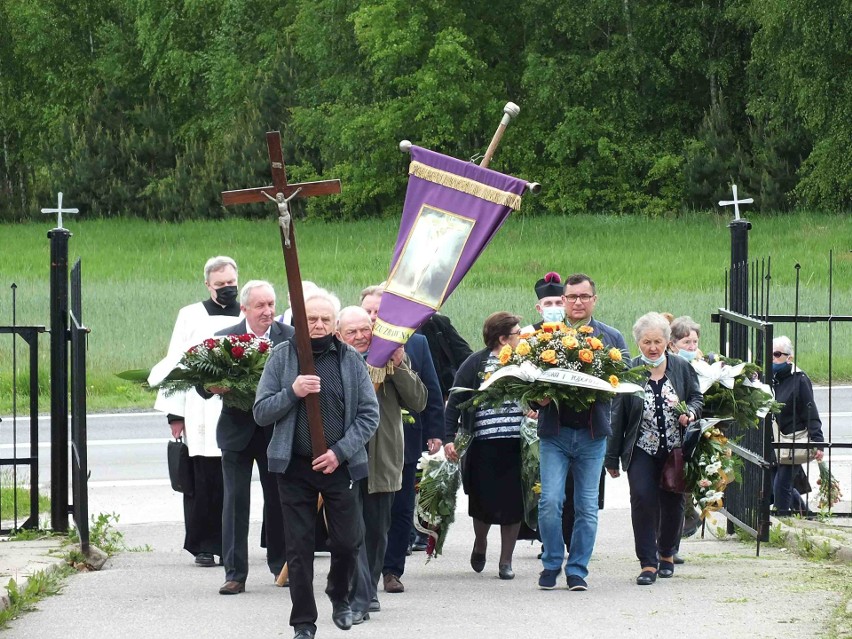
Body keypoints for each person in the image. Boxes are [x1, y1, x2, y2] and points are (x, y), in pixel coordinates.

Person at [253, 290, 379, 639]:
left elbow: (369, 415)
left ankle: (339, 595)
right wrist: (293, 391)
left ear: (336, 325)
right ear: (299, 323)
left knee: (347, 542)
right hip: (294, 468)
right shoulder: (281, 357)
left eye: (326, 319)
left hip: (338, 466)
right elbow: (261, 412)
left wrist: (339, 452)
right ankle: (303, 623)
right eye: (312, 319)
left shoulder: (351, 360)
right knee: (299, 549)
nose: (319, 325)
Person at [535, 273, 629, 591]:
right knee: (550, 501)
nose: (577, 302)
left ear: (594, 300)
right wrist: (540, 397)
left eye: (584, 296)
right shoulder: (547, 337)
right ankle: (551, 561)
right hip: (555, 432)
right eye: (572, 297)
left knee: (587, 506)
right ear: (562, 300)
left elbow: (627, 379)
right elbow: (529, 380)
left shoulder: (612, 338)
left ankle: (577, 568)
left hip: (592, 434)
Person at [337, 306, 427, 624]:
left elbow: (418, 401)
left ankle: (368, 589)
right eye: (353, 332)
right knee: (349, 533)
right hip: (344, 460)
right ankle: (356, 594)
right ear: (339, 335)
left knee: (376, 532)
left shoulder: (390, 359)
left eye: (366, 329)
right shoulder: (332, 362)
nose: (361, 336)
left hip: (383, 460)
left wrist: (400, 366)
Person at [149, 256, 241, 568]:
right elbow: (175, 362)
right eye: (220, 285)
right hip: (200, 408)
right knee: (203, 481)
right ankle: (203, 544)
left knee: (234, 483)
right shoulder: (191, 315)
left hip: (238, 409)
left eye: (231, 283)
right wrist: (174, 415)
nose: (227, 289)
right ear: (208, 285)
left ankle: (231, 543)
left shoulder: (248, 313)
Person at [202, 281, 293, 595]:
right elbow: (203, 381)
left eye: (271, 304)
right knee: (235, 503)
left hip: (276, 433)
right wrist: (212, 387)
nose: (268, 311)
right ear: (245, 309)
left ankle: (281, 565)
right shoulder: (223, 339)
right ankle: (235, 573)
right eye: (261, 306)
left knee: (279, 502)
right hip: (236, 433)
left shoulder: (289, 338)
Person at [358, 287, 444, 598]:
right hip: (359, 445)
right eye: (368, 311)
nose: (372, 317)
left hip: (403, 440)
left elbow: (430, 392)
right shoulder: (353, 344)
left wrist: (437, 432)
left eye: (379, 312)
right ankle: (361, 569)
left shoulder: (417, 344)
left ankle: (392, 570)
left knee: (401, 508)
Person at [606, 312, 703, 586]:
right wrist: (612, 458)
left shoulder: (681, 369)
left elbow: (696, 397)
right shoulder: (630, 372)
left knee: (673, 502)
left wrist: (691, 413)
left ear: (667, 342)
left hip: (674, 448)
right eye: (647, 342)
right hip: (641, 449)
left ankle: (667, 555)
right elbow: (618, 415)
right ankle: (647, 563)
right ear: (638, 343)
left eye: (658, 341)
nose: (652, 347)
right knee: (642, 500)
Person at [444, 312, 526, 581]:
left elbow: (537, 396)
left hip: (517, 444)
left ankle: (506, 560)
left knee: (514, 503)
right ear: (502, 338)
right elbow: (455, 401)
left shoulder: (524, 362)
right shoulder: (475, 363)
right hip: (483, 444)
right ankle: (480, 542)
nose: (521, 336)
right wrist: (449, 438)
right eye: (516, 333)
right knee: (482, 501)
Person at [771, 336, 824, 516]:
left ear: (789, 357)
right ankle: (806, 513)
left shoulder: (799, 380)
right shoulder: (770, 378)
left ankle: (782, 519)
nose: (773, 358)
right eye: (770, 354)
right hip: (775, 440)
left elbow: (810, 411)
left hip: (793, 440)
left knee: (781, 484)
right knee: (773, 481)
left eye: (777, 354)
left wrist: (818, 441)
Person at [666, 315, 704, 558]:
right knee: (669, 491)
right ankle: (668, 544)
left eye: (695, 342)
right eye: (686, 342)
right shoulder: (670, 366)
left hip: (690, 437)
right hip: (667, 437)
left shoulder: (701, 366)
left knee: (681, 490)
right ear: (672, 344)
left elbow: (697, 398)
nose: (692, 348)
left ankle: (672, 544)